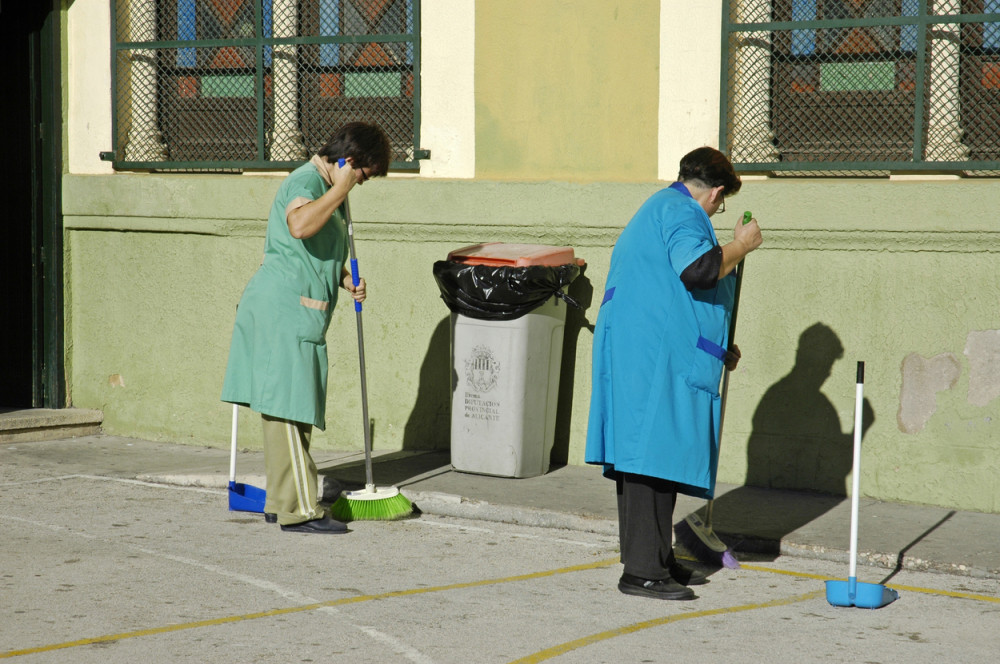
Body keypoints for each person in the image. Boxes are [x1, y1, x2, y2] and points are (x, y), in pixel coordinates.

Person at [585, 146, 763, 599]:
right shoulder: (682, 211)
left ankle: (654, 560)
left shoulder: (659, 208)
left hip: (645, 347)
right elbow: (699, 271)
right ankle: (643, 571)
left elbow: (676, 294)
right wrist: (740, 245)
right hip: (651, 355)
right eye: (721, 204)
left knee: (648, 457)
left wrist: (717, 347)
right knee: (649, 458)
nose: (718, 211)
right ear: (716, 193)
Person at [221, 122, 391, 534]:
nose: (360, 185)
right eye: (363, 175)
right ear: (349, 162)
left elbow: (310, 251)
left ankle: (282, 503)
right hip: (283, 311)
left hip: (293, 310)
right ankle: (301, 510)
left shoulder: (324, 187)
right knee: (287, 413)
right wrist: (340, 189)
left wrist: (345, 280)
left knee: (288, 412)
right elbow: (298, 225)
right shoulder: (308, 180)